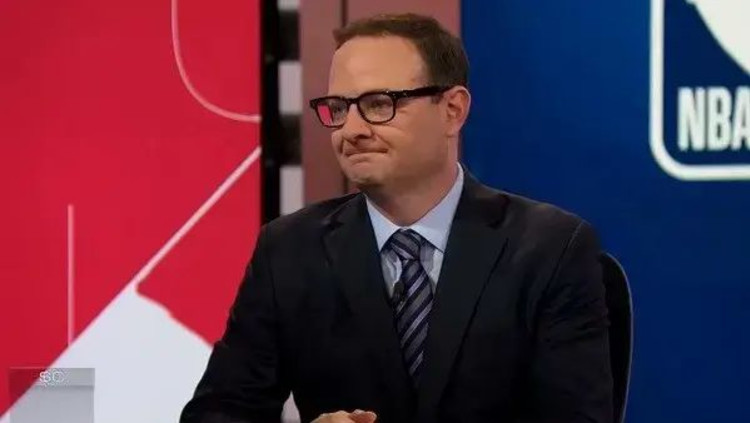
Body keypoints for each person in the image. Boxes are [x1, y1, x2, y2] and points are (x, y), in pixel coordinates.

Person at [180, 13, 613, 423]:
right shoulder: (290, 251)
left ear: (452, 110)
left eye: (378, 104)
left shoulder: (548, 249)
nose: (351, 130)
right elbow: (217, 413)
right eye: (339, 108)